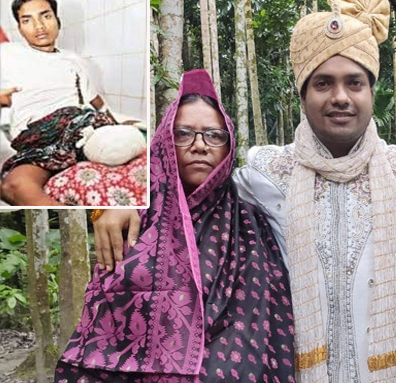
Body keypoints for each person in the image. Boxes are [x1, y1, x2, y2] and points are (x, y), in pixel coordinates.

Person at [93, 0, 396, 382]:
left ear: (372, 92)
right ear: (302, 96)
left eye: (355, 83)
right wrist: (122, 199)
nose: (340, 96)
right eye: (323, 83)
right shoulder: (264, 174)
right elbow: (190, 193)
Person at [55, 69, 295, 383]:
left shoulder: (251, 224)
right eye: (183, 134)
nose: (200, 145)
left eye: (214, 135)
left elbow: (266, 324)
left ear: (229, 145)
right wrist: (107, 209)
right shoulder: (134, 217)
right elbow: (104, 328)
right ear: (165, 142)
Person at [0, 0, 114, 206]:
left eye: (46, 16)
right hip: (36, 139)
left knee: (114, 144)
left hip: (77, 126)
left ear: (57, 20)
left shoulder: (74, 61)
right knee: (12, 186)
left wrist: (114, 121)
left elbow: (95, 100)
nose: (39, 26)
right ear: (19, 28)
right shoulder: (8, 55)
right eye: (27, 20)